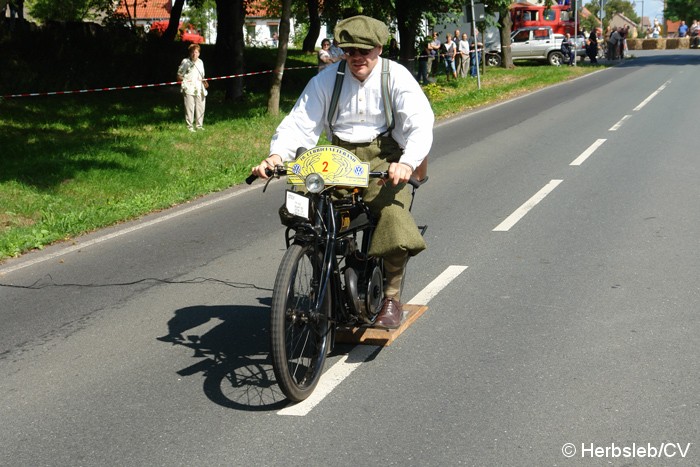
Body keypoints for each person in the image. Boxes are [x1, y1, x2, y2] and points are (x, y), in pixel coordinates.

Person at [251, 15, 434, 329]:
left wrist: (406, 162)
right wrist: (276, 156)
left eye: (364, 51)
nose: (356, 58)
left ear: (378, 48)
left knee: (391, 215)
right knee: (305, 206)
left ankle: (391, 298)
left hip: (384, 158)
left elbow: (420, 124)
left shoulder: (397, 77)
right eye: (349, 51)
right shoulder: (327, 79)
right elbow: (299, 124)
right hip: (336, 157)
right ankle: (318, 264)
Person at [177, 43, 207, 132]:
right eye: (193, 52)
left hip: (200, 88)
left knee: (201, 107)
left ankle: (199, 126)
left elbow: (202, 75)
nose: (195, 54)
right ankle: (189, 127)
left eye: (196, 52)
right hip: (189, 88)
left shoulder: (201, 62)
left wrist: (205, 82)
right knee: (190, 109)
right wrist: (186, 80)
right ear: (190, 53)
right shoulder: (185, 62)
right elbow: (178, 76)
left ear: (199, 53)